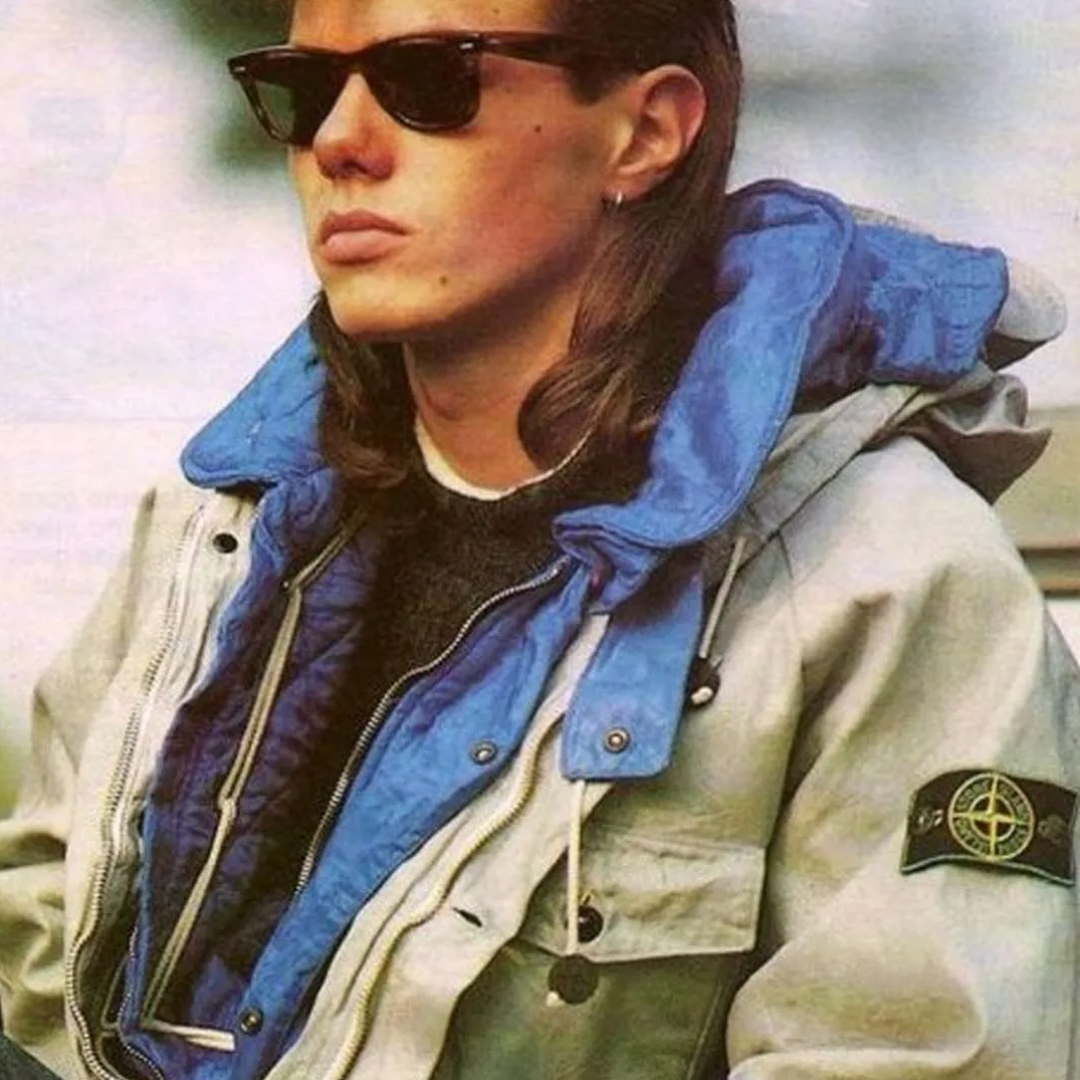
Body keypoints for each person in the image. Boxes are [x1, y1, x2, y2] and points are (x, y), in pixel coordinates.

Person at [1, 0, 1078, 1077]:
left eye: (430, 81)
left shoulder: (884, 575)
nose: (340, 142)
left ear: (646, 132)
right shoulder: (221, 529)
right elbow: (39, 965)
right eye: (305, 91)